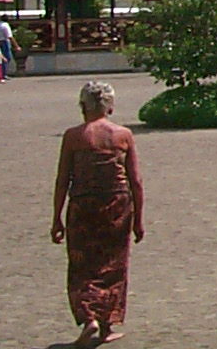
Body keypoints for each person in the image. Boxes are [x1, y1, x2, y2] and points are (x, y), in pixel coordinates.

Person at [51, 81, 144, 348]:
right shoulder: (123, 135)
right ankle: (105, 324)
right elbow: (135, 180)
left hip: (82, 205)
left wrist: (56, 217)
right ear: (110, 107)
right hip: (117, 204)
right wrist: (138, 219)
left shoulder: (73, 136)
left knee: (83, 265)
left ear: (83, 106)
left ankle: (90, 318)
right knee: (114, 264)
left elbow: (62, 179)